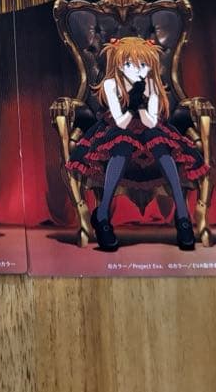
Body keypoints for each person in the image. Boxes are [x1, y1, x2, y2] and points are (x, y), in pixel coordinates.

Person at [66, 36, 208, 251]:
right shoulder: (111, 84)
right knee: (121, 146)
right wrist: (132, 104)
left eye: (142, 64)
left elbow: (151, 121)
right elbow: (121, 122)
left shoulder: (151, 84)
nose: (136, 70)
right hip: (117, 127)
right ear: (118, 64)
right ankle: (102, 215)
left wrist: (141, 103)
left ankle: (182, 216)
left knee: (161, 146)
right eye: (129, 64)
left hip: (148, 127)